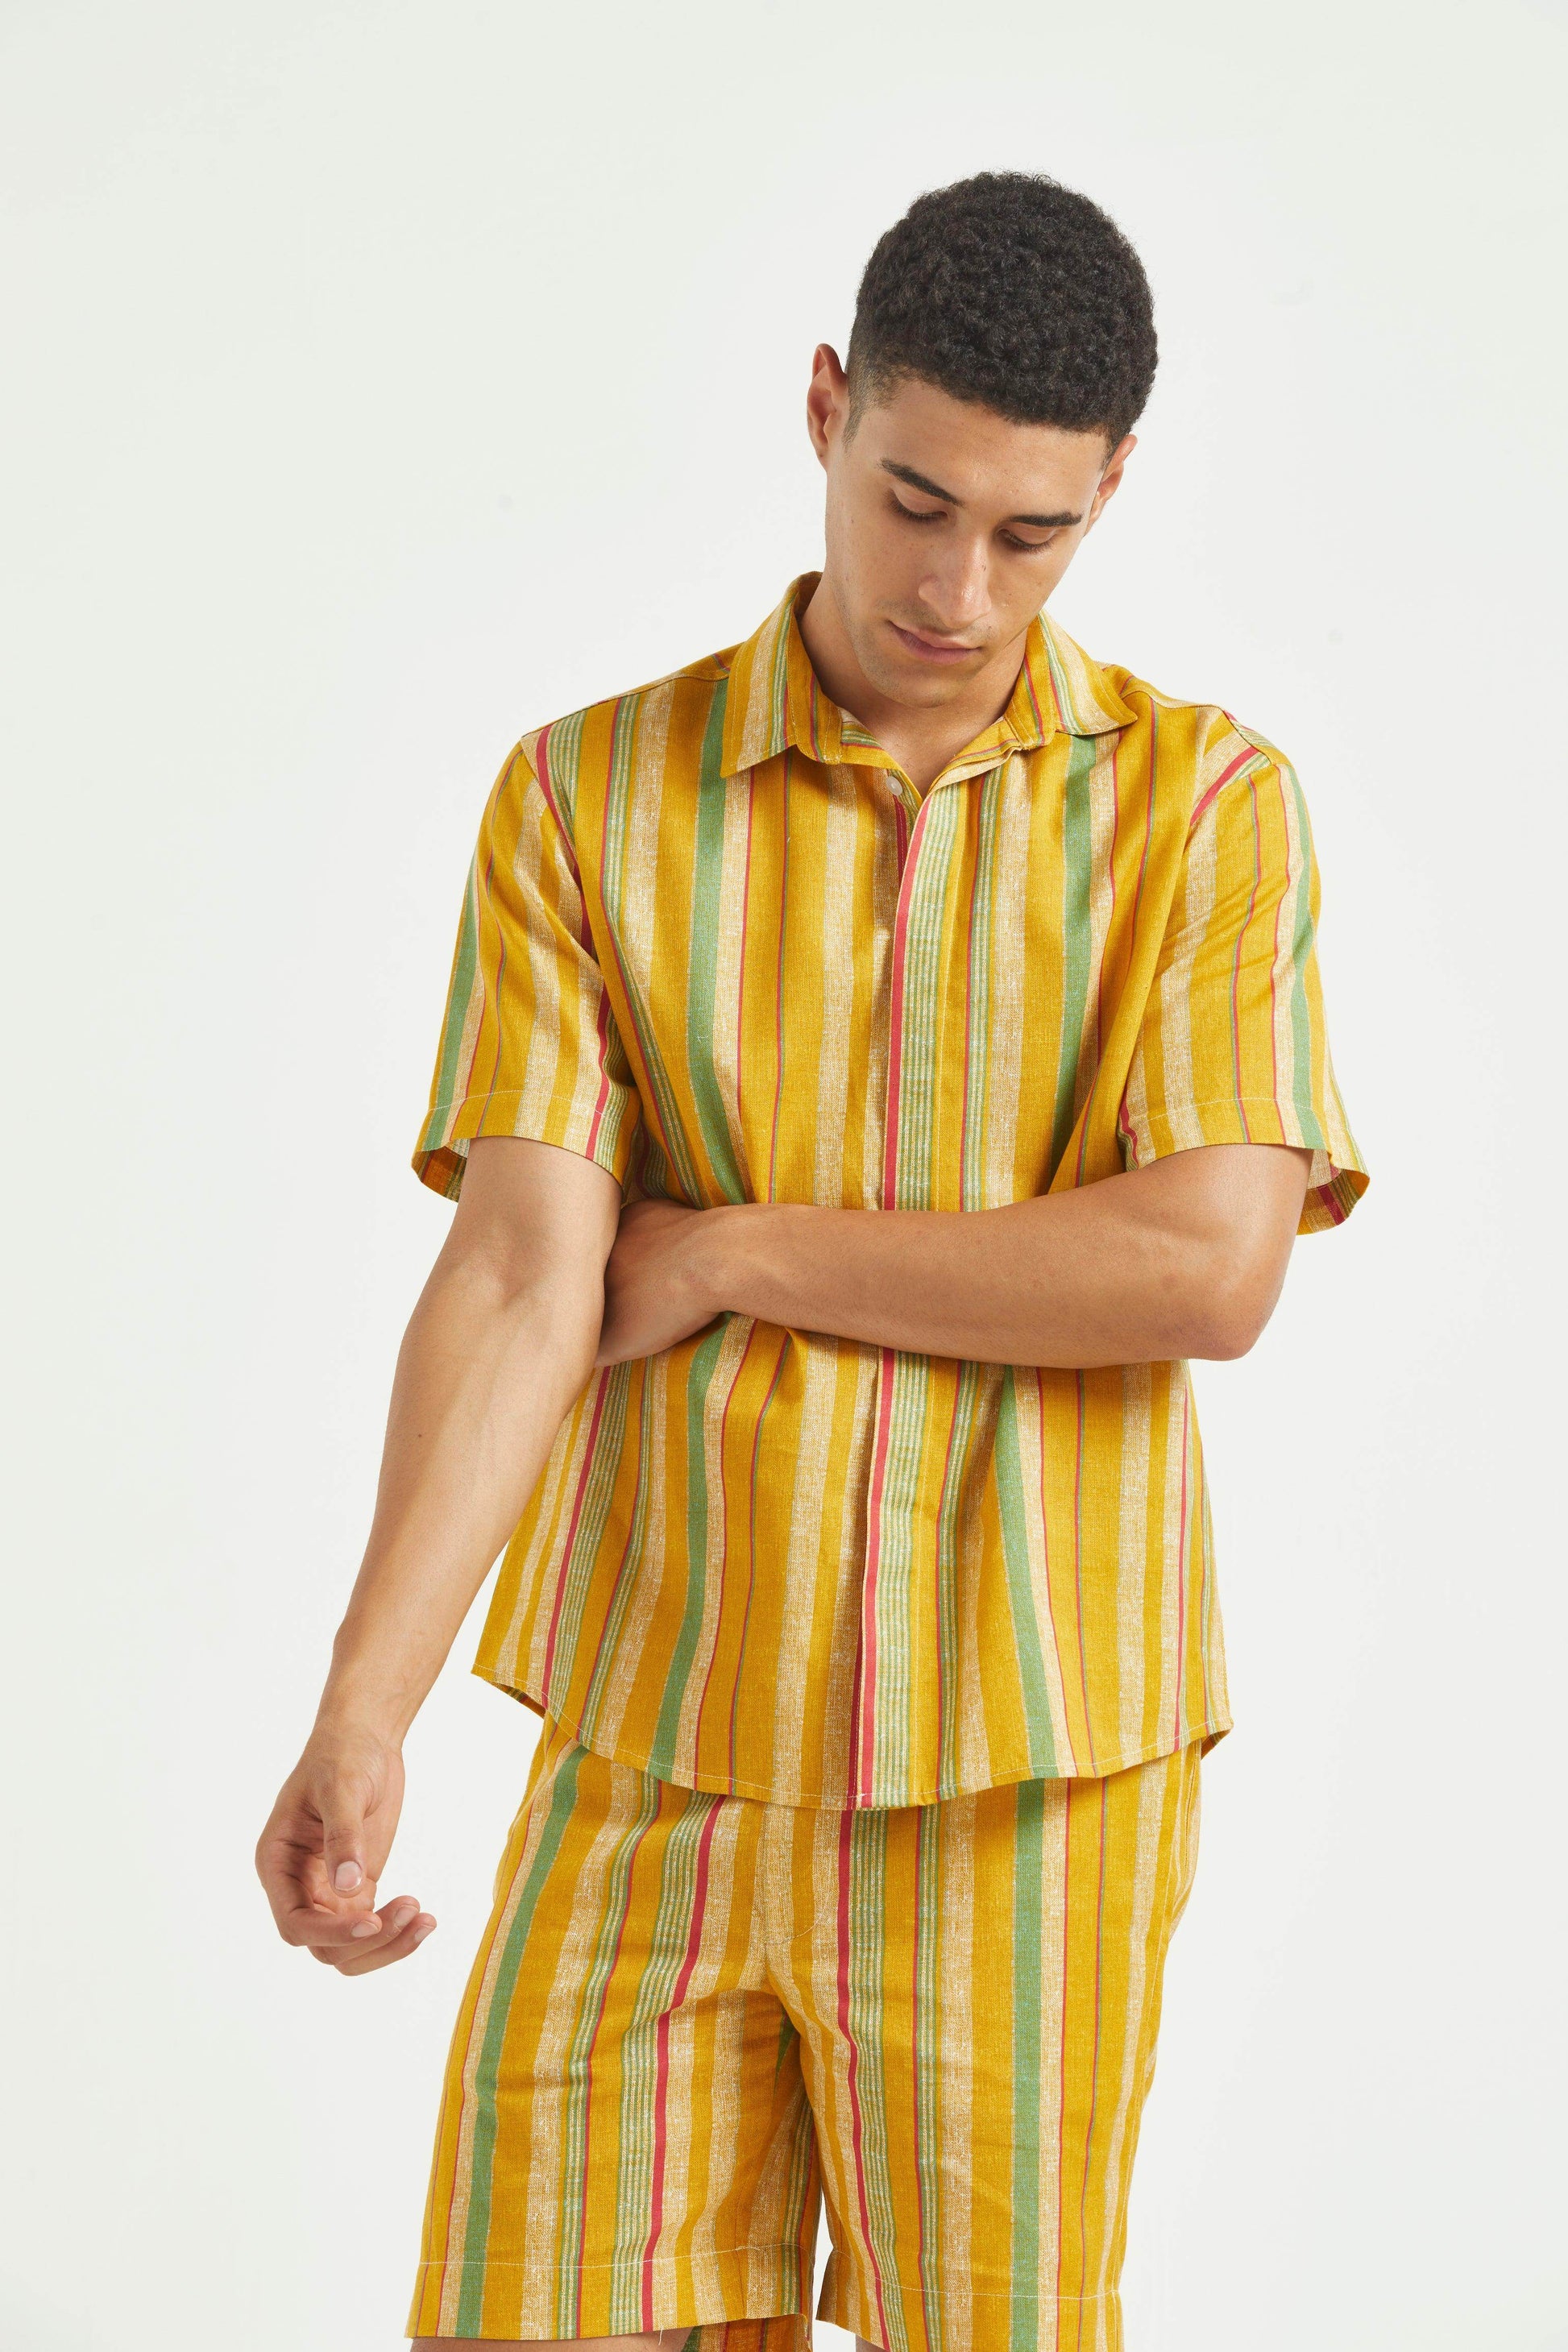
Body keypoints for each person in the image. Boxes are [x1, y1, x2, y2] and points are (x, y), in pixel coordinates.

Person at [256, 171, 1367, 2352]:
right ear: (825, 411)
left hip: (1031, 1769)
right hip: (654, 1727)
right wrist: (363, 1710)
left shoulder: (1207, 808)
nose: (957, 589)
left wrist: (742, 1248)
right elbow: (520, 1280)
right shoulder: (585, 797)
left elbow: (1204, 1269)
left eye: (1031, 536)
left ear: (1115, 489)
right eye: (912, 502)